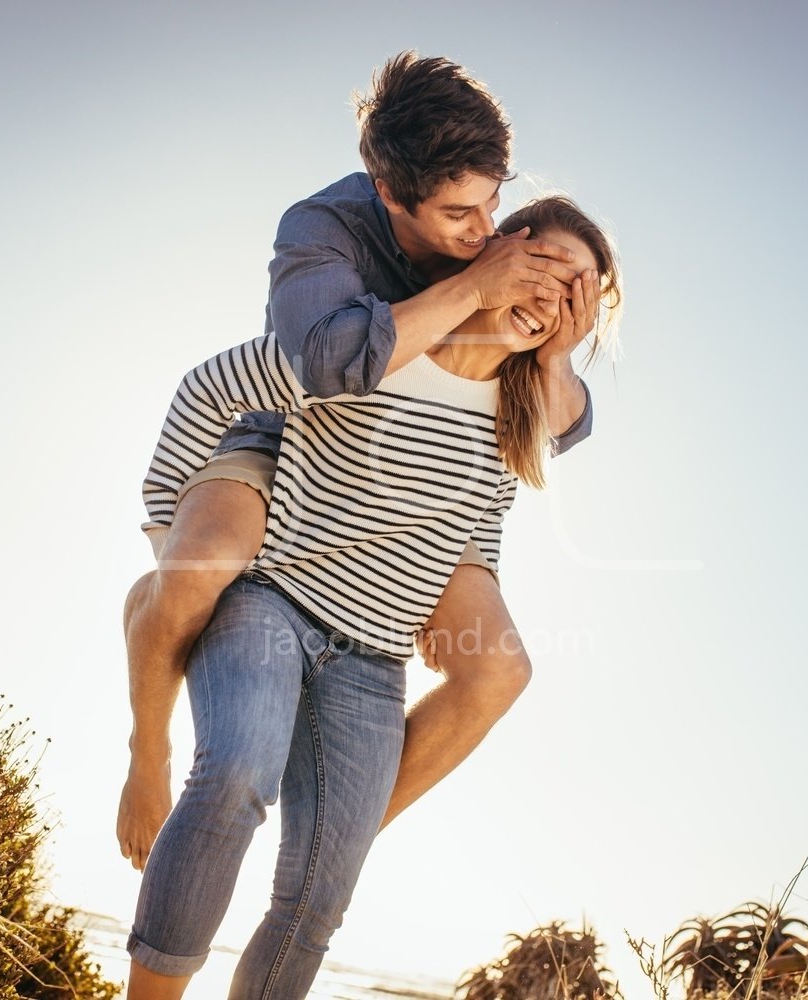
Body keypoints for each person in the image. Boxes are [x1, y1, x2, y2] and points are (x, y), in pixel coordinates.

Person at [127, 195, 622, 999]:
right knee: (233, 779)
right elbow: (209, 388)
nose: (553, 298)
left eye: (579, 293)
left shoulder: (519, 418)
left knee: (319, 897)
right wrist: (166, 533)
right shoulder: (374, 345)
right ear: (498, 253)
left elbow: (484, 514)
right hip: (272, 601)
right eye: (545, 269)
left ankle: (331, 833)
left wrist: (462, 590)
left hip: (374, 658)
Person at [119, 52, 593, 874]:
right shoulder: (319, 231)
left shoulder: (493, 241)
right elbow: (324, 362)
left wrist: (553, 354)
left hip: (407, 495)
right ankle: (147, 751)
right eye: (457, 215)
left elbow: (516, 447)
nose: (483, 230)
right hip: (290, 436)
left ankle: (336, 843)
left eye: (493, 202)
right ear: (390, 194)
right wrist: (166, 520)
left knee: (499, 669)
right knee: (196, 569)